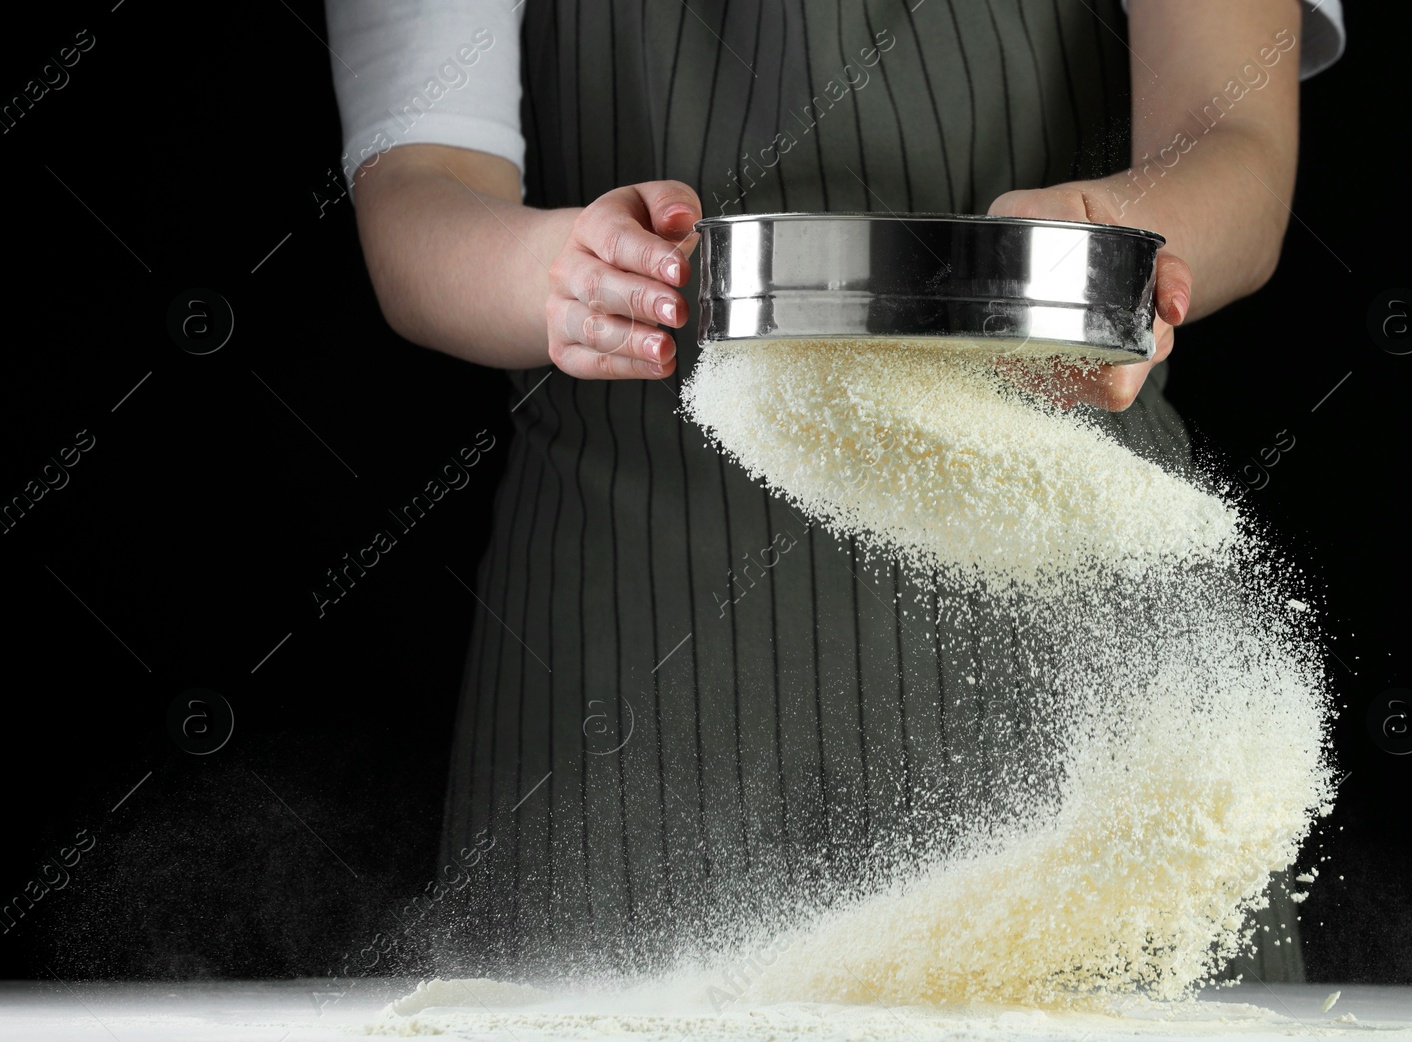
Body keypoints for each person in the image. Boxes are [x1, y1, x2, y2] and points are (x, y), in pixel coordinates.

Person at [328, 0, 1346, 981]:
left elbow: (1234, 142)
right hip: (631, 674)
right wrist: (559, 274)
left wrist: (1113, 239)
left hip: (1085, 656)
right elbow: (419, 191)